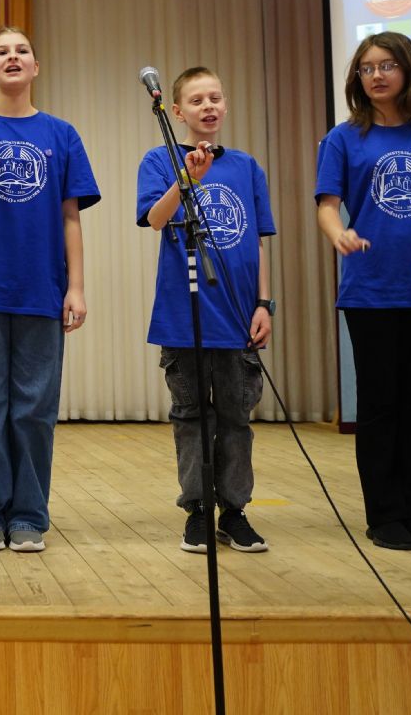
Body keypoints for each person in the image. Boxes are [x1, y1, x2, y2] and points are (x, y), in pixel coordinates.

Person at [0, 27, 100, 553]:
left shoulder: (61, 134)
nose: (13, 56)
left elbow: (71, 216)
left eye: (22, 50)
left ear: (35, 67)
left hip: (41, 289)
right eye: (1, 51)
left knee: (33, 410)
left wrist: (76, 287)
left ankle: (29, 516)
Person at [314, 32, 411, 553]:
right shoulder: (343, 138)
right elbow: (327, 206)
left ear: (407, 70)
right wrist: (339, 233)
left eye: (386, 65)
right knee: (380, 405)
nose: (376, 75)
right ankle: (384, 515)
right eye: (366, 68)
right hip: (370, 291)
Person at [137, 68, 274, 555]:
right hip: (185, 315)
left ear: (226, 105)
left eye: (215, 97)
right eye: (197, 100)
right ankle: (197, 509)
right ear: (177, 112)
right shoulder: (160, 159)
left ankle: (233, 512)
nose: (208, 106)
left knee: (236, 416)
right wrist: (187, 179)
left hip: (237, 316)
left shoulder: (247, 167)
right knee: (191, 416)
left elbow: (258, 241)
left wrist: (264, 303)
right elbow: (155, 219)